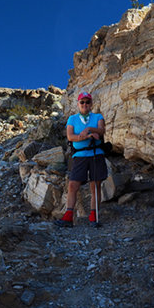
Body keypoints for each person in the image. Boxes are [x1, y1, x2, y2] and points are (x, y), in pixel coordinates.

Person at [55, 92, 107, 228]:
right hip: (79, 156)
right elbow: (70, 136)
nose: (85, 104)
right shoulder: (72, 119)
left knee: (95, 186)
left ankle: (93, 216)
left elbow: (101, 130)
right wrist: (88, 136)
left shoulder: (98, 116)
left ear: (91, 104)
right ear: (78, 104)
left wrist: (88, 129)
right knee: (73, 185)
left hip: (96, 154)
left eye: (87, 102)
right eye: (82, 102)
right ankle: (68, 217)